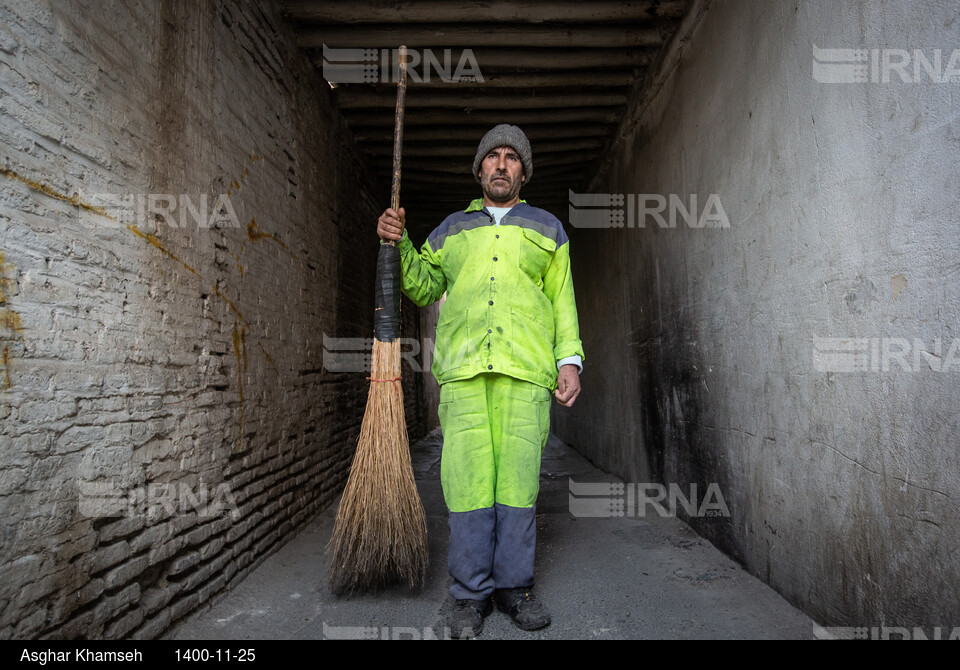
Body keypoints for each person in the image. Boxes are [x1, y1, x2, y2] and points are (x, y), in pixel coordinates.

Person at [376, 124, 584, 637]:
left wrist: (570, 361)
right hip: (465, 375)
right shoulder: (451, 229)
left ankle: (514, 588)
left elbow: (563, 302)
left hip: (524, 376)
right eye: (493, 156)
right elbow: (423, 288)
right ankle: (469, 595)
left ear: (524, 172)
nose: (502, 164)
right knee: (466, 485)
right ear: (478, 169)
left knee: (516, 485)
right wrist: (398, 243)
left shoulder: (548, 228)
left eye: (513, 157)